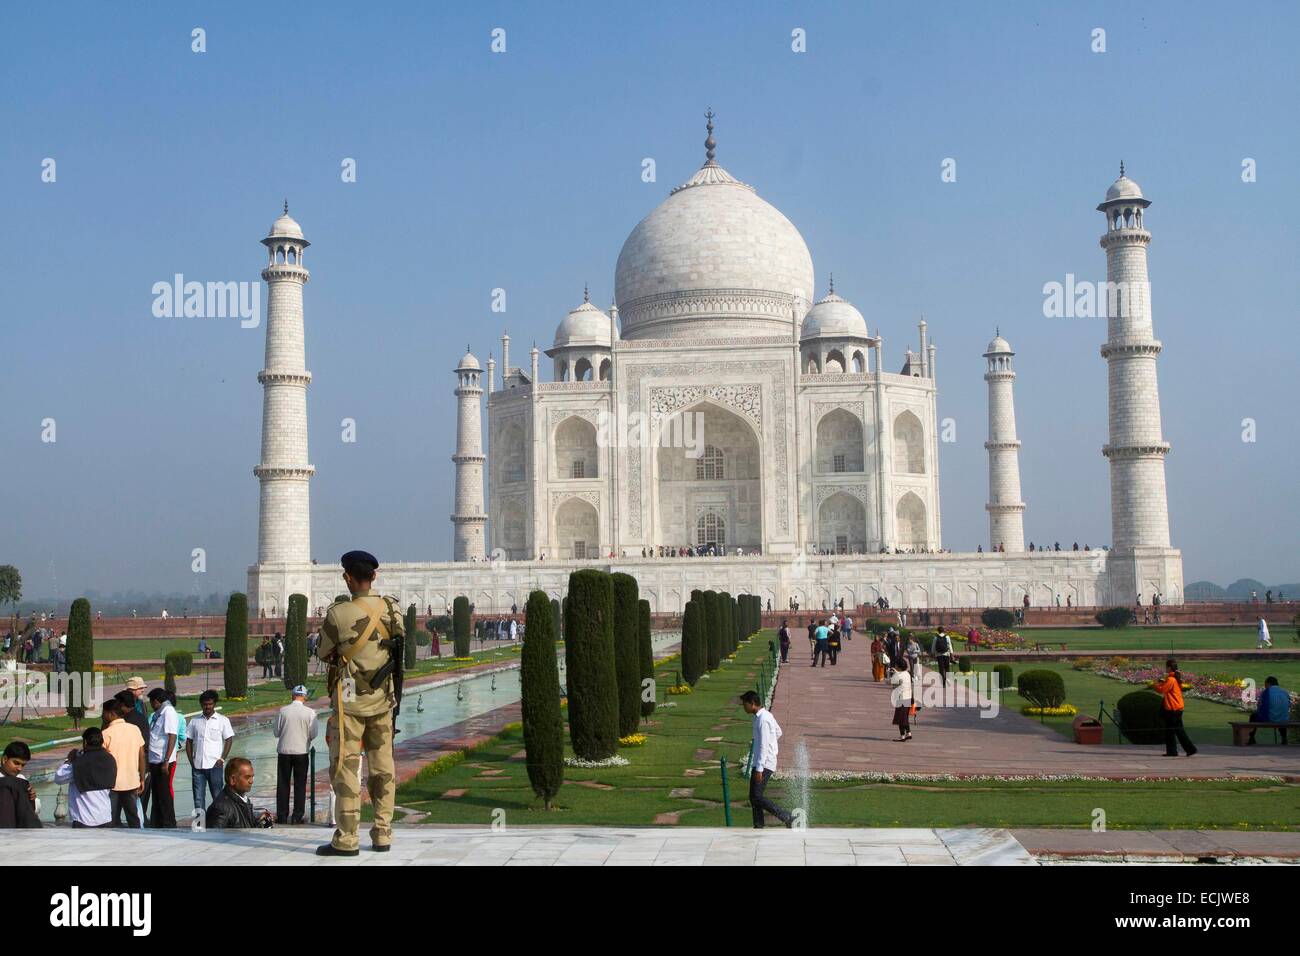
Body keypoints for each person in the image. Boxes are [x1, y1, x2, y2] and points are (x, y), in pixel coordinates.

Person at [317, 550, 404, 857]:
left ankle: (347, 838)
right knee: (383, 769)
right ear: (374, 577)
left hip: (349, 703)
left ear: (347, 577)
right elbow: (400, 649)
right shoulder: (392, 609)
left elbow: (322, 650)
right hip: (383, 699)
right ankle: (382, 834)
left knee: (346, 769)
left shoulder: (338, 614)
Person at [739, 690, 792, 828]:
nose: (743, 707)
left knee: (756, 796)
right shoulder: (763, 716)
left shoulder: (763, 719)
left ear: (752, 703)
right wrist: (771, 744)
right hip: (762, 761)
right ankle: (758, 825)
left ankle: (786, 816)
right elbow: (778, 732)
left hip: (764, 763)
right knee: (754, 797)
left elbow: (763, 745)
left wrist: (760, 768)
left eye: (744, 704)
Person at [52, 728, 115, 828]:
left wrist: (69, 760)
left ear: (85, 742)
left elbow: (59, 778)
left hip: (84, 820)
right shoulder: (110, 759)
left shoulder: (78, 764)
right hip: (105, 817)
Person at [274, 684, 319, 824]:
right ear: (305, 697)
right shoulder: (310, 713)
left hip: (284, 751)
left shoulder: (283, 711)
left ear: (292, 695)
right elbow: (314, 733)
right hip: (301, 751)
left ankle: (282, 815)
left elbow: (276, 733)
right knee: (300, 785)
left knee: (283, 784)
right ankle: (297, 816)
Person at [186, 690, 234, 814]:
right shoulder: (194, 721)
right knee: (198, 798)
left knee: (218, 797)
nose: (207, 707)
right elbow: (189, 741)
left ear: (214, 704)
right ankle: (200, 825)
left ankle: (218, 824)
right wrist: (191, 761)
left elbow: (229, 739)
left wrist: (222, 758)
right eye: (205, 704)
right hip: (197, 766)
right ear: (201, 704)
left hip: (215, 765)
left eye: (210, 704)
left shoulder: (222, 720)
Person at [101, 699, 145, 828]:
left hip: (112, 784)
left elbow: (102, 760)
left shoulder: (106, 734)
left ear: (111, 713)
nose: (103, 716)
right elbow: (141, 755)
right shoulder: (134, 729)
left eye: (104, 713)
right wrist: (141, 778)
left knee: (111, 818)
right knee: (133, 817)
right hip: (131, 781)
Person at [205, 757, 273, 829]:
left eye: (252, 777)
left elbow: (247, 828)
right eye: (247, 777)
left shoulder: (242, 799)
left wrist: (262, 822)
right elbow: (214, 838)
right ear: (233, 779)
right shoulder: (221, 808)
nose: (251, 781)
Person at [145, 688, 178, 827]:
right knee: (157, 794)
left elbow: (172, 736)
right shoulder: (158, 714)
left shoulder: (168, 712)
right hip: (154, 759)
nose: (151, 705)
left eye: (152, 702)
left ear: (157, 701)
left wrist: (166, 760)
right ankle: (157, 822)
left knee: (164, 795)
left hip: (163, 761)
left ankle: (168, 823)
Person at [1151, 659, 1197, 757]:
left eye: (1166, 667)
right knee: (1177, 730)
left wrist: (1154, 685)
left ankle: (1176, 750)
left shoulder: (1171, 679)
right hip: (1178, 708)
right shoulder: (1175, 678)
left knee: (1171, 731)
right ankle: (1187, 749)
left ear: (1169, 668)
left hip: (1172, 708)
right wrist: (1163, 682)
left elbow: (1162, 690)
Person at [0, 742, 41, 828]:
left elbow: (35, 809)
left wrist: (32, 798)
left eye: (23, 765)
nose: (19, 768)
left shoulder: (21, 780)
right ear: (4, 760)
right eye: (16, 763)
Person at [1248, 676, 1291, 744]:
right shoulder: (1285, 692)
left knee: (1253, 716)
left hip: (1269, 719)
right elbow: (1288, 705)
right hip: (1284, 719)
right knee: (1281, 717)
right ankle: (1284, 738)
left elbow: (1260, 706)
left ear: (1268, 683)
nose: (1265, 686)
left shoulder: (1266, 692)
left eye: (1265, 684)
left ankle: (1251, 738)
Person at [890, 659, 914, 741]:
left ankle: (902, 735)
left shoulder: (898, 675)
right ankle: (908, 732)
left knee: (900, 718)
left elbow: (891, 683)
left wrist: (893, 673)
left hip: (901, 698)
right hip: (908, 697)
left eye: (896, 665)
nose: (895, 666)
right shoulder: (907, 673)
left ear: (899, 666)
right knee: (905, 717)